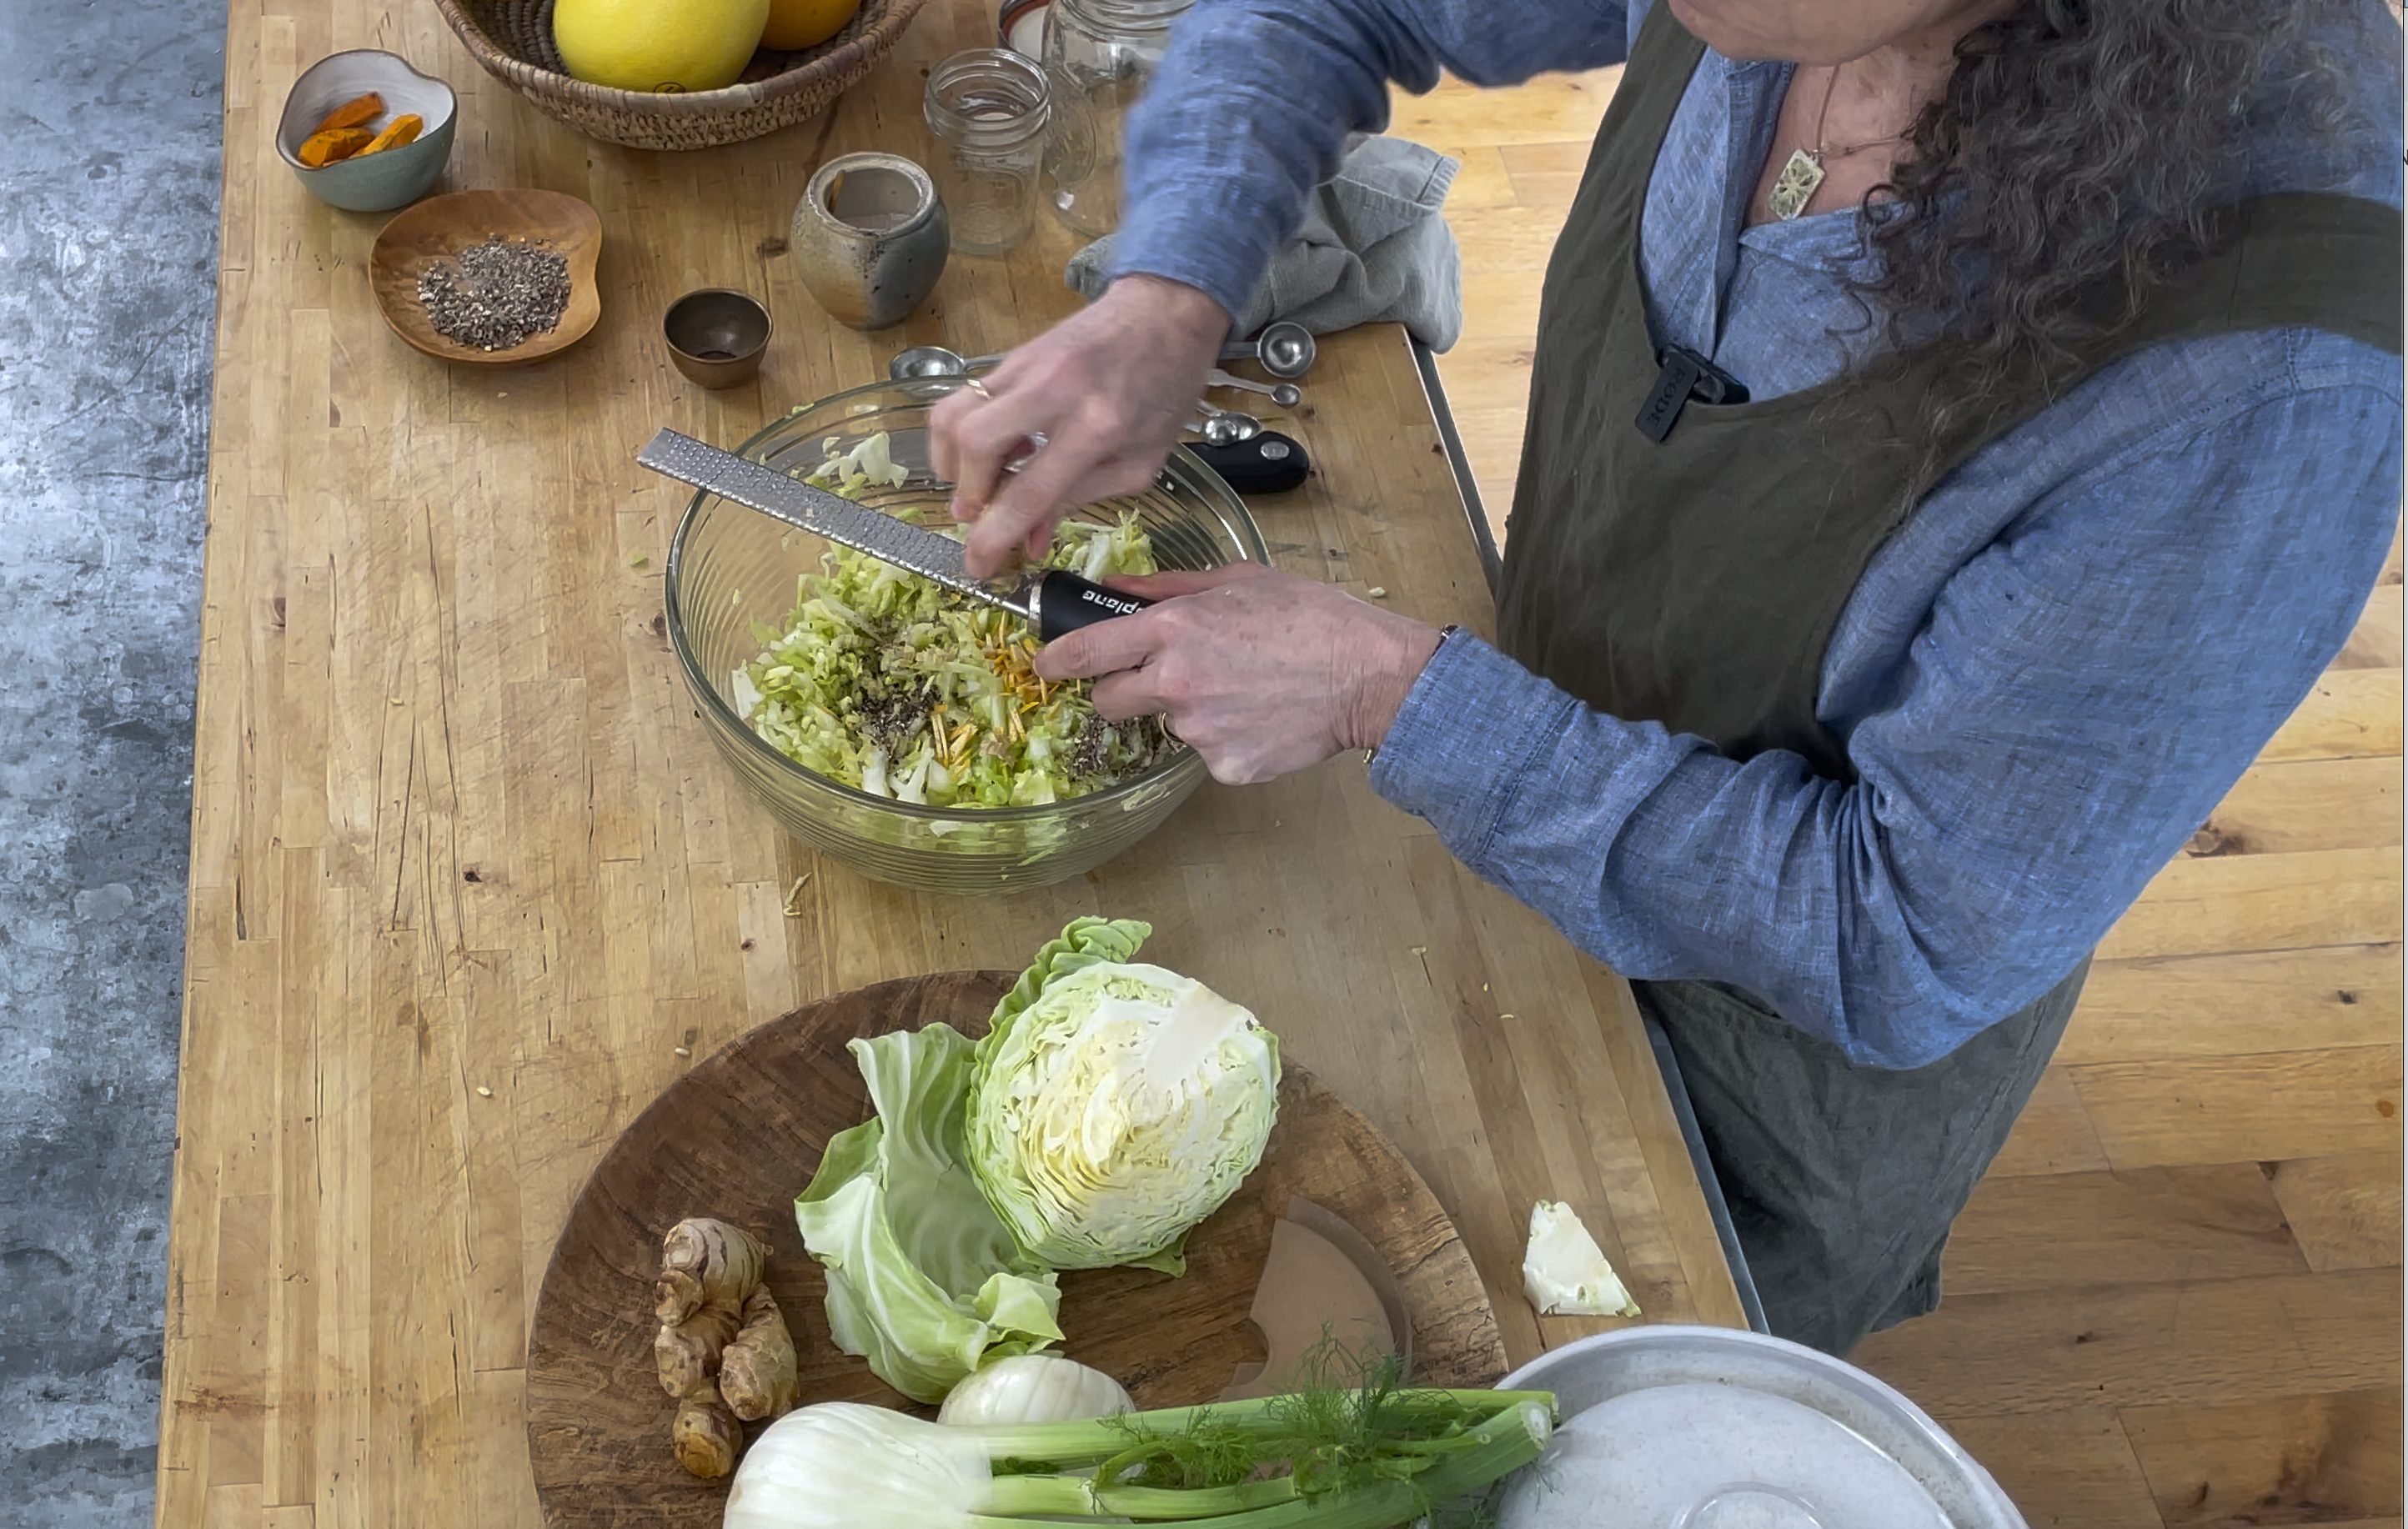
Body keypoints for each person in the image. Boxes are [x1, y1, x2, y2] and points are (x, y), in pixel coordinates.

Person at [927, 0, 2404, 1354]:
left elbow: (1901, 938)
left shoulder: (2268, 374)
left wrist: (1401, 698)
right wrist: (1174, 289)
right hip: (1503, 822)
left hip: (1760, 1084)